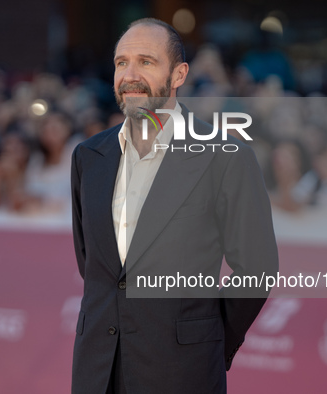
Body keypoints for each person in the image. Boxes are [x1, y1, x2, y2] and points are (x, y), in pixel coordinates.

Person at [70, 18, 278, 394]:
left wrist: (207, 340)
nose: (129, 75)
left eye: (146, 62)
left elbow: (257, 269)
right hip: (97, 368)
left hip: (183, 372)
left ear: (179, 74)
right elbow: (94, 263)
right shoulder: (89, 156)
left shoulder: (225, 157)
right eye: (121, 63)